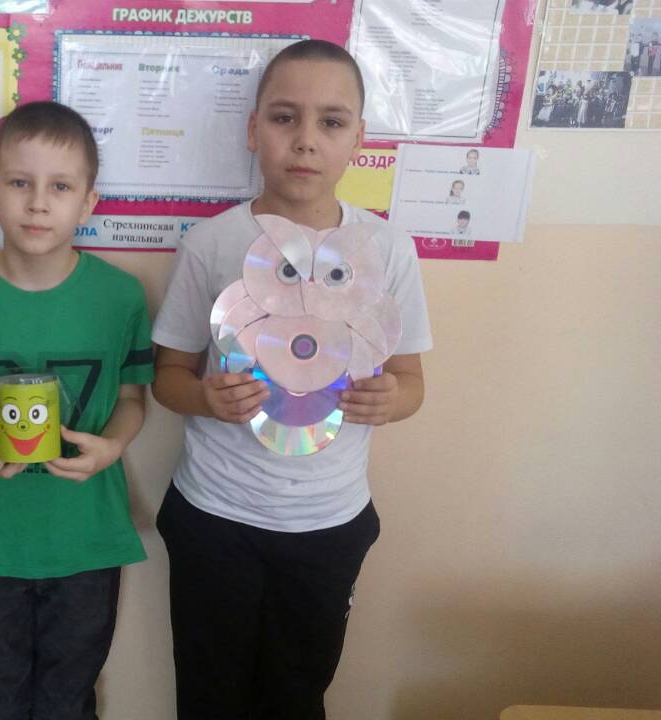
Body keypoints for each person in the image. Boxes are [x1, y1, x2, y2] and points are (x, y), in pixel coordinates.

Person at [151, 39, 433, 719]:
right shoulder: (211, 243)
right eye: (284, 117)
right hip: (214, 517)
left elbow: (411, 381)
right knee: (209, 695)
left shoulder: (387, 249)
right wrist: (207, 398)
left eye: (331, 122)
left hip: (328, 523)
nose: (305, 140)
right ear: (254, 129)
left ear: (358, 139)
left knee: (297, 695)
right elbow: (168, 377)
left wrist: (390, 399)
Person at [0, 100, 153, 720]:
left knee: (69, 700)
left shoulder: (121, 297)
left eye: (60, 187)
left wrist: (112, 447)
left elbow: (132, 399)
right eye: (20, 183)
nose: (38, 203)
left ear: (88, 203)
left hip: (88, 544)